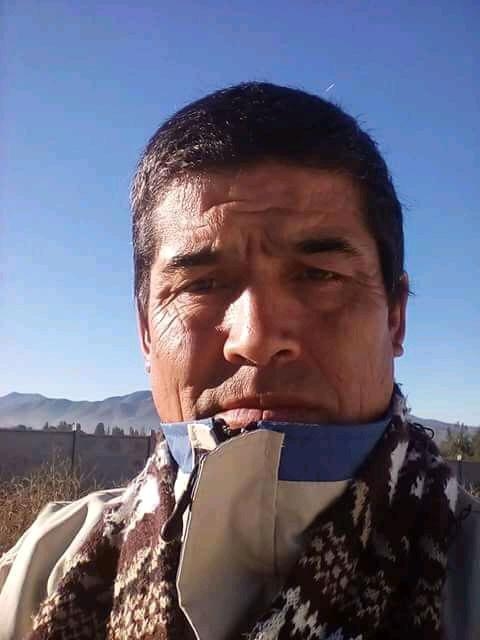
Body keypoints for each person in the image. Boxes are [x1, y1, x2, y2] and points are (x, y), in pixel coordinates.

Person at [0, 82, 478, 640]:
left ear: (395, 317)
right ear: (146, 331)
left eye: (319, 275)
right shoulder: (38, 572)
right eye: (201, 285)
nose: (255, 339)